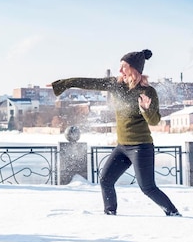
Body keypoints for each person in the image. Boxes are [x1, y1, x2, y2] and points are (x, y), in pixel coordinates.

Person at [50, 49, 181, 216]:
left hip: (141, 147)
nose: (120, 71)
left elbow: (154, 121)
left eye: (124, 67)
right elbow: (89, 83)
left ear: (134, 69)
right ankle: (110, 214)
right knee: (106, 180)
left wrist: (145, 109)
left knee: (147, 187)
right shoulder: (115, 85)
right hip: (122, 147)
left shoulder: (147, 92)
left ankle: (173, 212)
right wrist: (63, 84)